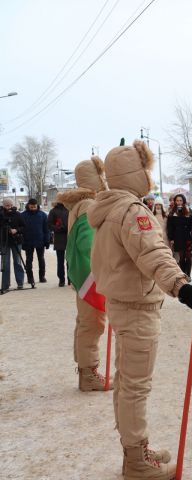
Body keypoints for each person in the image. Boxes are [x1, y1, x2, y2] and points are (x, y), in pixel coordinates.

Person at [87, 140, 192, 479]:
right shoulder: (132, 211)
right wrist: (182, 287)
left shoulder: (109, 208)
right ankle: (136, 460)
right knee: (135, 385)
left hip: (122, 304)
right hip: (137, 308)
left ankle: (135, 447)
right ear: (136, 173)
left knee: (127, 382)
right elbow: (153, 254)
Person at [57, 156, 113, 391]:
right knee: (92, 324)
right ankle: (89, 374)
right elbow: (89, 244)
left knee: (86, 323)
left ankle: (85, 370)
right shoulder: (89, 206)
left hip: (85, 274)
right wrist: (109, 264)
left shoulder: (81, 205)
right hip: (92, 275)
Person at [20, 198, 50, 285]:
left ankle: (42, 277)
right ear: (28, 205)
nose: (33, 208)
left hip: (40, 241)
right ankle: (30, 278)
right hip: (28, 241)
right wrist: (23, 242)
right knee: (29, 260)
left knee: (41, 259)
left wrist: (47, 240)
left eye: (34, 206)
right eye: (31, 206)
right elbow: (21, 229)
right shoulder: (23, 215)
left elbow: (46, 229)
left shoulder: (43, 215)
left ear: (37, 206)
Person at [1, 198, 25, 292]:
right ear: (3, 205)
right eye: (7, 205)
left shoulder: (17, 214)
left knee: (17, 262)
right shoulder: (1, 214)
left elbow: (23, 226)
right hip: (4, 241)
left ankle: (20, 283)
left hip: (16, 240)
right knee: (5, 264)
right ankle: (5, 285)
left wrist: (16, 230)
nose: (9, 207)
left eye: (10, 205)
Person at [167, 194, 192, 278]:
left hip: (188, 237)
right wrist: (171, 238)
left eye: (180, 200)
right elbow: (170, 227)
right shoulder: (172, 212)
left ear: (183, 201)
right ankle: (183, 275)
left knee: (188, 257)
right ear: (175, 201)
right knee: (181, 257)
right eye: (177, 200)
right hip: (177, 237)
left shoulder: (189, 210)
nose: (179, 202)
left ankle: (188, 275)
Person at [47, 201, 69, 286]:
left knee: (65, 260)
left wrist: (58, 228)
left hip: (65, 237)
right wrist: (59, 228)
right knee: (64, 260)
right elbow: (49, 224)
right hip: (62, 237)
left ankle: (65, 279)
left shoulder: (70, 209)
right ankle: (63, 279)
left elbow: (49, 224)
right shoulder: (54, 211)